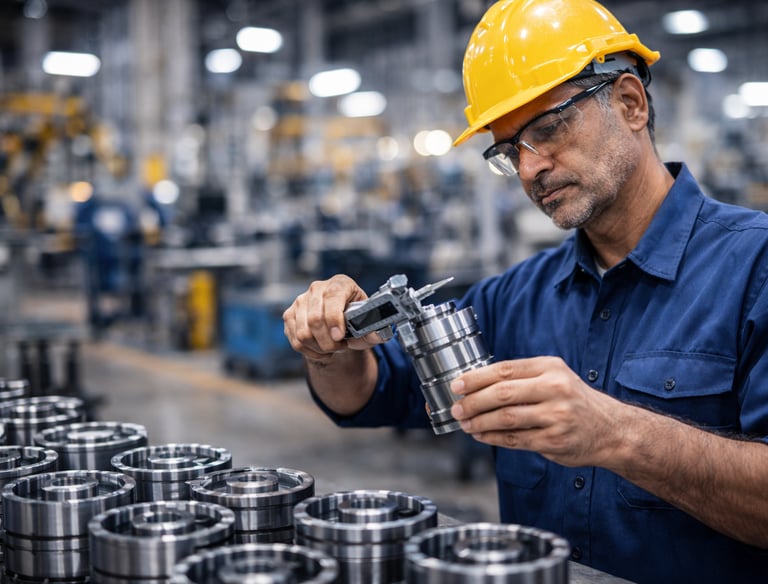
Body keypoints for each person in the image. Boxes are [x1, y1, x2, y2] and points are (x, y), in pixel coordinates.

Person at [282, 0, 768, 581]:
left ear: (630, 103)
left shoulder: (754, 269)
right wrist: (328, 347)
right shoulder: (514, 298)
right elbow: (369, 393)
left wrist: (615, 433)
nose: (531, 167)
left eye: (548, 128)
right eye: (510, 150)